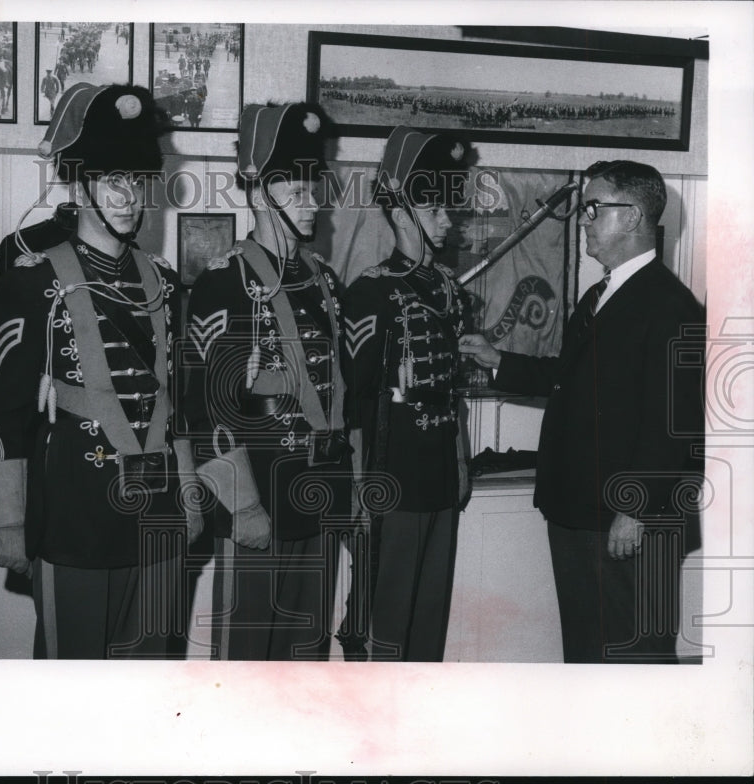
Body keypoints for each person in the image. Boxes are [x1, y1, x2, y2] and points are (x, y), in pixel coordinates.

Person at [0, 84, 200, 659]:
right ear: (78, 182)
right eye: (110, 180)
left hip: (159, 513)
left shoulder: (164, 280)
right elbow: (3, 404)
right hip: (75, 513)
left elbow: (180, 404)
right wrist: (7, 522)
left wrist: (193, 497)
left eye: (136, 179)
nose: (127, 197)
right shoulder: (33, 275)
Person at [459, 160, 705, 664]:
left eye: (595, 209)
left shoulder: (671, 308)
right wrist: (498, 360)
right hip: (580, 509)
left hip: (629, 517)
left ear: (633, 217)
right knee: (588, 652)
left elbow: (672, 422)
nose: (584, 220)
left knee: (634, 655)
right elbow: (573, 377)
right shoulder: (602, 295)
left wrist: (634, 509)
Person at [182, 102, 351, 660]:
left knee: (306, 658)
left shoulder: (323, 279)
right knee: (247, 663)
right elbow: (207, 412)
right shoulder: (224, 284)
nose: (313, 203)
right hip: (258, 505)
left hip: (318, 499)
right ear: (259, 192)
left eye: (315, 188)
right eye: (297, 192)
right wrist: (243, 505)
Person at [340, 127, 472, 661]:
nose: (448, 220)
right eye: (435, 209)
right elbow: (353, 403)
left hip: (441, 477)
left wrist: (460, 463)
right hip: (390, 482)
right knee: (386, 627)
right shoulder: (370, 292)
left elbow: (452, 393)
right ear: (401, 213)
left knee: (428, 626)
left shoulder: (447, 288)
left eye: (448, 208)